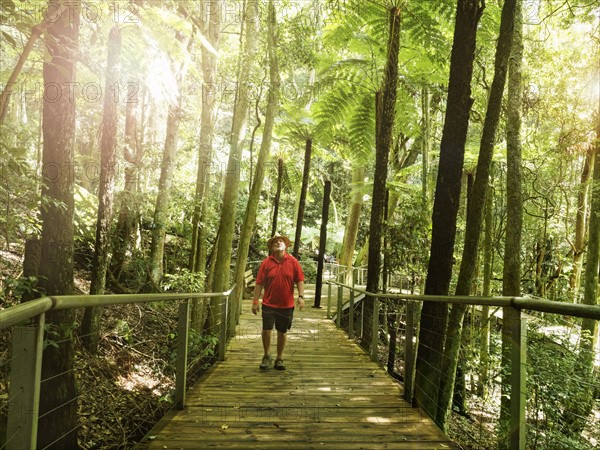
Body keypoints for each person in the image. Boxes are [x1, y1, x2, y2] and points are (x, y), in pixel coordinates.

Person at [252, 234, 305, 370]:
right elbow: (259, 283)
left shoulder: (293, 262)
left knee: (282, 331)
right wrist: (255, 301)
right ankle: (266, 355)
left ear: (286, 246)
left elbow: (299, 279)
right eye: (275, 242)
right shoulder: (266, 263)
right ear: (271, 247)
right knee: (266, 330)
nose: (278, 242)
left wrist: (301, 296)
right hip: (269, 303)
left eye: (281, 241)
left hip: (286, 304)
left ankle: (279, 358)